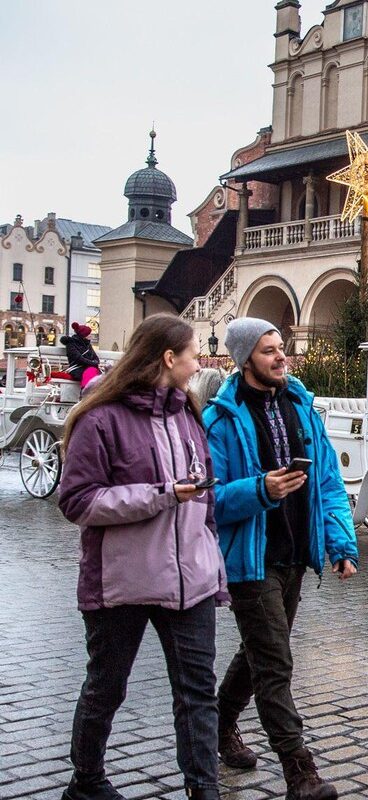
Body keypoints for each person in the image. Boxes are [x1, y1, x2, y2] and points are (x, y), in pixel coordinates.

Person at [56, 313, 227, 800]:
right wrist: (163, 494)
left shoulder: (188, 413)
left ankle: (204, 790)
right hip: (121, 583)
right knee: (106, 688)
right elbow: (78, 501)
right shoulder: (100, 417)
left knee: (197, 695)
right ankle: (86, 781)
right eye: (193, 353)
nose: (199, 363)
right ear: (168, 358)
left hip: (188, 582)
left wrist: (211, 562)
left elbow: (205, 499)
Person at [203, 318, 358, 800]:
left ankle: (217, 725)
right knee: (275, 664)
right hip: (250, 559)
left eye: (281, 348)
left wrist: (341, 544)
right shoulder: (219, 420)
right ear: (245, 358)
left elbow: (328, 482)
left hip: (294, 553)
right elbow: (208, 500)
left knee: (259, 654)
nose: (281, 357)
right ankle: (300, 772)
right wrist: (260, 489)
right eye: (269, 351)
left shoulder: (302, 407)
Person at [62, 322, 102, 389]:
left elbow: (96, 358)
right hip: (77, 368)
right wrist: (93, 363)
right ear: (84, 336)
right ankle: (86, 393)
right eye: (89, 334)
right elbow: (79, 359)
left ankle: (86, 392)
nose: (91, 335)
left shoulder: (88, 344)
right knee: (91, 373)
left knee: (92, 372)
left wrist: (94, 362)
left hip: (88, 367)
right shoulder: (71, 344)